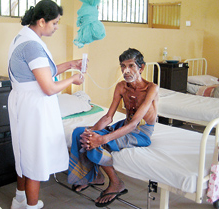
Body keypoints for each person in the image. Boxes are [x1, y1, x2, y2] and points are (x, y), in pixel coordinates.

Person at [8, 0, 85, 209]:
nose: (57, 27)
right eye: (55, 23)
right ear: (42, 21)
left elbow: (43, 72)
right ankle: (31, 206)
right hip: (34, 107)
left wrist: (70, 64)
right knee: (35, 158)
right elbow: (49, 87)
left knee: (24, 154)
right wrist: (73, 80)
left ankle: (20, 200)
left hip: (25, 103)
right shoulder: (32, 46)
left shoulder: (22, 38)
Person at [68, 48, 159, 207]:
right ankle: (94, 176)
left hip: (140, 133)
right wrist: (92, 132)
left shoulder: (151, 88)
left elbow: (133, 124)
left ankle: (116, 183)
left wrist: (101, 138)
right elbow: (109, 117)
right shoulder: (121, 87)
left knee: (98, 143)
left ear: (141, 68)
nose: (126, 70)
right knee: (80, 133)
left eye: (131, 66)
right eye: (123, 66)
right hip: (123, 125)